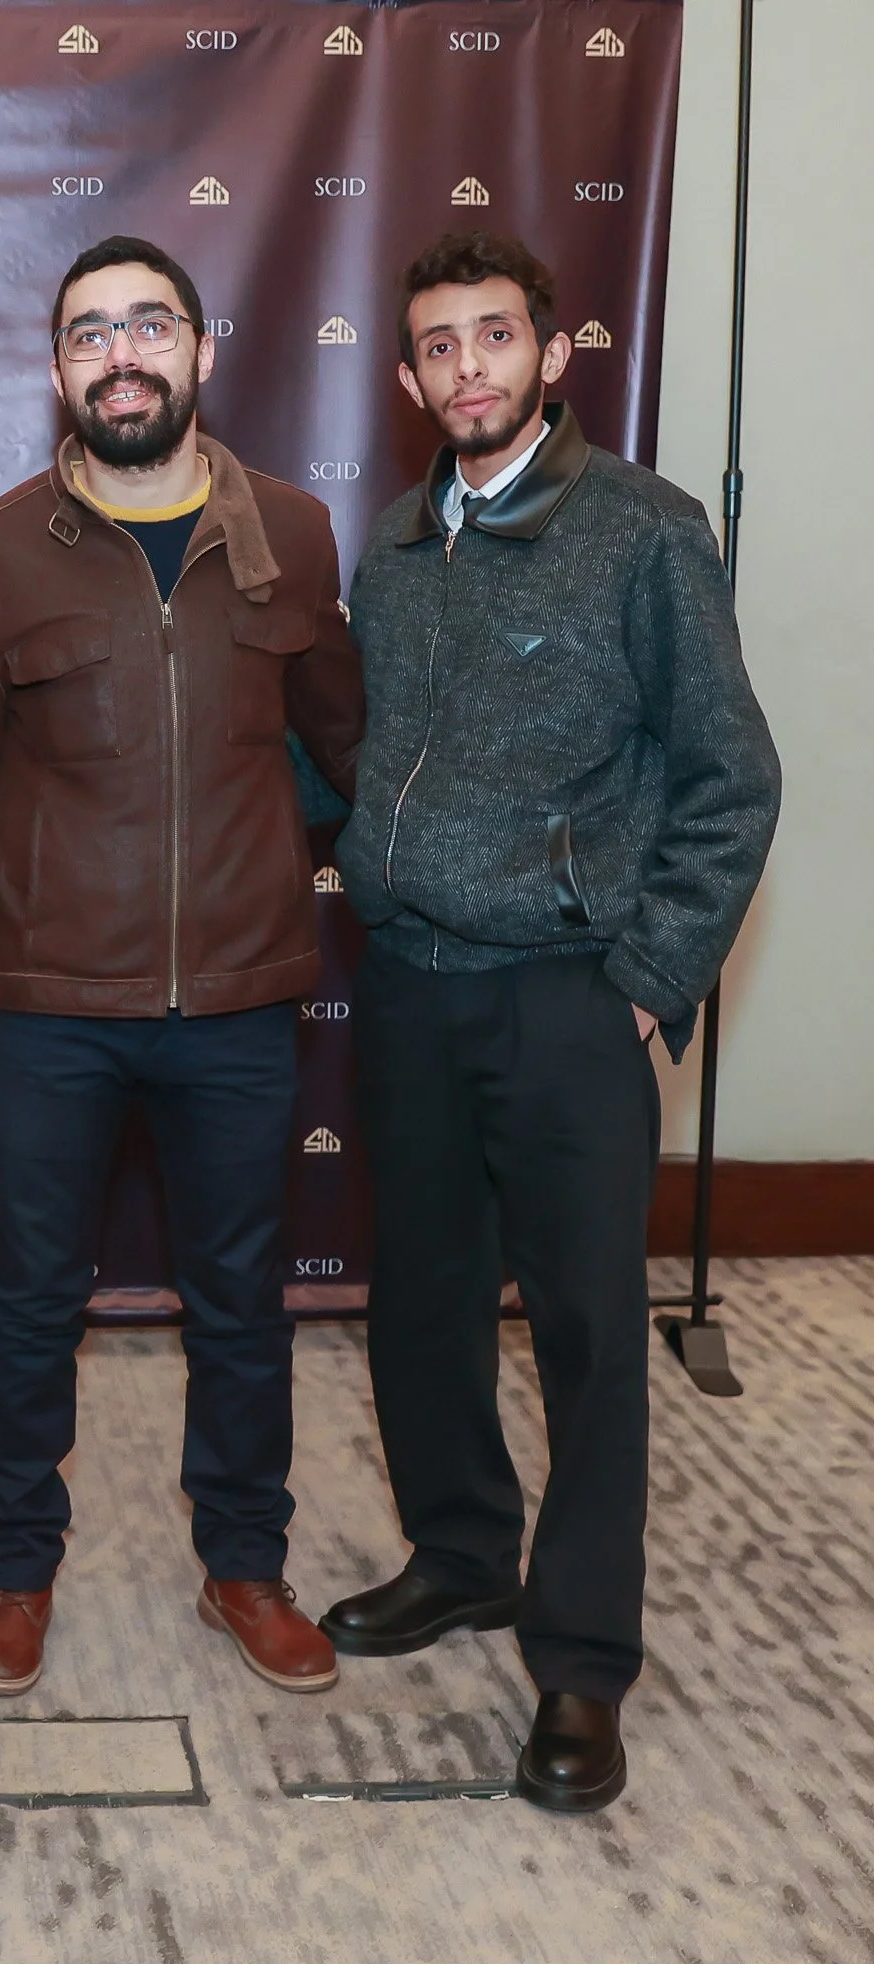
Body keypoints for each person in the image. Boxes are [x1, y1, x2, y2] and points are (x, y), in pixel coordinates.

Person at [324, 232, 781, 1812]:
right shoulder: (390, 545)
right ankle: (460, 1557)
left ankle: (582, 1668)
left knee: (589, 1339)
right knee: (424, 1307)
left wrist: (652, 979)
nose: (469, 370)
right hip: (411, 997)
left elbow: (735, 779)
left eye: (494, 339)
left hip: (570, 1001)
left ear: (549, 354)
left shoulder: (646, 533)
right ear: (405, 379)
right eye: (439, 348)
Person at [0, 236, 365, 1700]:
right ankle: (15, 1571)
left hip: (239, 998)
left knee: (242, 1300)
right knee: (31, 1297)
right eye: (90, 333)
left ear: (200, 349)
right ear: (57, 368)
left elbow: (340, 744)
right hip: (51, 1007)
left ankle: (245, 1564)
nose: (122, 355)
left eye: (148, 326)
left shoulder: (293, 536)